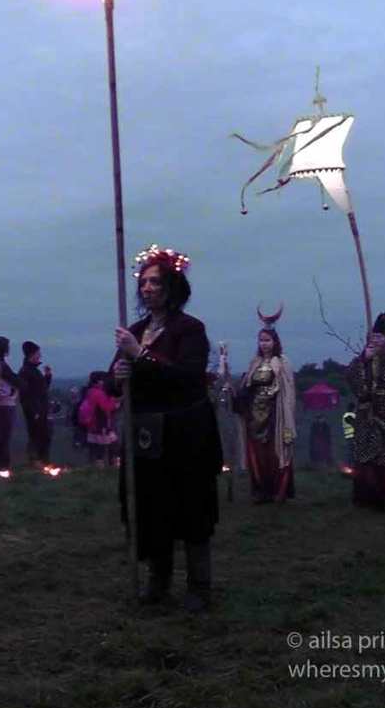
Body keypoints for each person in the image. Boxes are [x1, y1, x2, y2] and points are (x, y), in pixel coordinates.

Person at [112, 244, 223, 612]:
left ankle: (199, 587)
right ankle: (158, 584)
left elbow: (188, 377)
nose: (146, 288)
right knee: (151, 508)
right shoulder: (135, 329)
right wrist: (119, 373)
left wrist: (140, 356)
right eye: (143, 282)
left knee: (191, 508)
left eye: (155, 283)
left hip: (186, 433)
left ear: (172, 287)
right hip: (146, 434)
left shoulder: (190, 329)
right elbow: (117, 383)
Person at [347, 312, 385, 515]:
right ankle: (369, 503)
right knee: (366, 464)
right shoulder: (363, 362)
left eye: (379, 337)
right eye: (373, 337)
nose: (375, 340)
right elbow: (352, 380)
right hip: (366, 422)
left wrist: (384, 416)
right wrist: (363, 359)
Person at [236, 306, 297, 504]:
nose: (264, 344)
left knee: (275, 453)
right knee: (258, 454)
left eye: (267, 340)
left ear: (275, 342)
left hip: (275, 414)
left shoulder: (282, 362)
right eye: (261, 340)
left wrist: (286, 415)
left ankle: (277, 491)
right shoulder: (254, 362)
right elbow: (246, 386)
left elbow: (288, 391)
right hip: (255, 414)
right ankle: (260, 491)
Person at [0, 337, 23, 474]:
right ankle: (2, 466)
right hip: (5, 402)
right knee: (5, 436)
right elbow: (17, 381)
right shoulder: (0, 364)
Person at [19, 341, 53, 468]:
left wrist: (47, 377)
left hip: (40, 410)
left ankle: (43, 463)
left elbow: (41, 389)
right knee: (37, 436)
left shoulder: (33, 371)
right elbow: (26, 395)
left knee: (44, 436)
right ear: (32, 354)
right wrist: (34, 411)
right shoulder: (25, 372)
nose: (40, 356)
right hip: (35, 412)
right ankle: (36, 462)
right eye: (38, 353)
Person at [82, 371, 119, 466]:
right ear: (99, 381)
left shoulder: (90, 391)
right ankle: (109, 466)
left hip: (93, 424)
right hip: (101, 423)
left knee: (98, 448)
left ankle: (98, 467)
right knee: (109, 446)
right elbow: (106, 407)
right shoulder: (99, 393)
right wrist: (115, 403)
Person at [340, 403, 356, 475]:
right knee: (350, 453)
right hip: (351, 437)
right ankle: (349, 468)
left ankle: (351, 468)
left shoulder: (349, 415)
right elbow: (355, 424)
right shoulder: (348, 416)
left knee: (352, 453)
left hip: (352, 437)